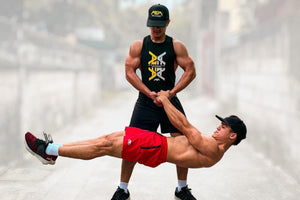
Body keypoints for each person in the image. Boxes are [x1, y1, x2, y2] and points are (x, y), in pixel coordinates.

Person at [24, 90, 247, 199]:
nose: (219, 127)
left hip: (154, 148)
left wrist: (166, 100)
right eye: (221, 124)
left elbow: (185, 125)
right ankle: (52, 148)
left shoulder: (212, 150)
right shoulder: (213, 145)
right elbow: (185, 128)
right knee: (105, 140)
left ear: (232, 137)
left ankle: (48, 151)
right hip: (155, 142)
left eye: (224, 127)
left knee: (103, 147)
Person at [123, 3, 196, 199]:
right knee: (131, 143)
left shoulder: (176, 46)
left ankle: (182, 188)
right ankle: (122, 188)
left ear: (167, 23)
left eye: (160, 25)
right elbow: (129, 72)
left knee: (183, 142)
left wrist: (171, 93)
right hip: (146, 102)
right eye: (153, 24)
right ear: (148, 23)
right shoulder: (139, 46)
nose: (156, 29)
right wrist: (148, 92)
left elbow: (191, 71)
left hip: (170, 102)